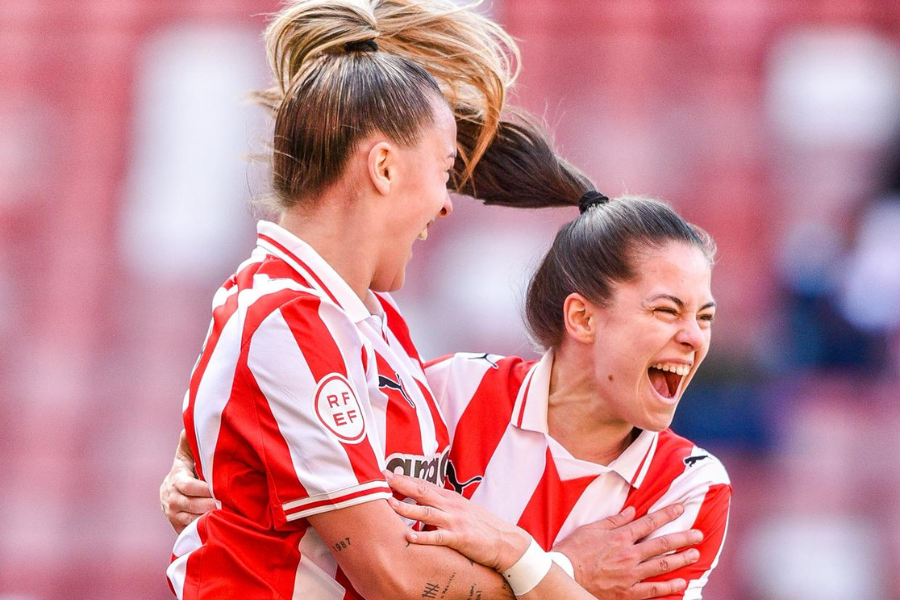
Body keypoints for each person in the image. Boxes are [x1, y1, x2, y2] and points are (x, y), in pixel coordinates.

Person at [163, 1, 701, 599]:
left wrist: (195, 471)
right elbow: (395, 576)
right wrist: (560, 575)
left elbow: (232, 437)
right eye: (444, 170)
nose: (447, 202)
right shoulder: (287, 320)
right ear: (385, 168)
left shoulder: (370, 325)